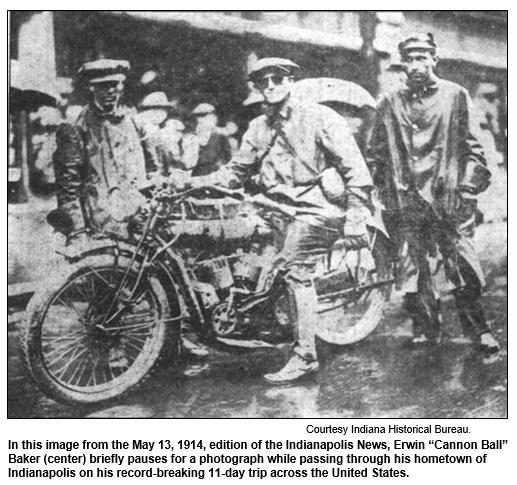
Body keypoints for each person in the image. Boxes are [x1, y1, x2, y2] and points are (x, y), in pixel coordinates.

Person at [171, 57, 374, 383]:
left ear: (290, 80)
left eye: (277, 79)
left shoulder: (320, 117)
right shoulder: (258, 127)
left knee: (295, 271)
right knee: (221, 241)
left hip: (315, 209)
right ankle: (246, 310)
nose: (270, 86)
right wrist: (191, 183)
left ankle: (305, 356)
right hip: (270, 208)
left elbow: (354, 169)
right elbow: (235, 173)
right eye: (263, 82)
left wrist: (355, 214)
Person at [366, 33, 500, 354]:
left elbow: (475, 150)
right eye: (408, 60)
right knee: (413, 269)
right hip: (405, 200)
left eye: (421, 58)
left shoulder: (455, 96)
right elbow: (376, 154)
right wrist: (381, 194)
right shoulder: (388, 102)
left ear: (433, 59)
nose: (415, 66)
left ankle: (478, 329)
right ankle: (426, 328)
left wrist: (466, 190)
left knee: (463, 266)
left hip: (447, 198)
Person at [50, 59, 159, 240]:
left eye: (114, 85)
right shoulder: (76, 127)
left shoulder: (134, 122)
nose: (110, 91)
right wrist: (76, 231)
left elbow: (153, 167)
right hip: (101, 224)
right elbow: (68, 185)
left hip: (139, 219)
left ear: (121, 87)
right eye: (103, 86)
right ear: (91, 88)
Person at [189, 103, 232, 176]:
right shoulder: (192, 137)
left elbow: (227, 160)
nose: (200, 120)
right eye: (198, 116)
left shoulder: (220, 137)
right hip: (196, 176)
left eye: (204, 116)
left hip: (215, 175)